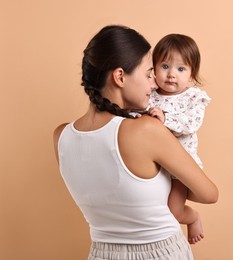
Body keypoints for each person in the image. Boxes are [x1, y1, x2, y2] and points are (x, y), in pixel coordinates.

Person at [52, 25, 218, 260]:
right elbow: (210, 194)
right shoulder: (145, 130)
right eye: (149, 74)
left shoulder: (61, 137)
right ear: (120, 76)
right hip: (160, 253)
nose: (154, 84)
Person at [145, 34, 210, 245]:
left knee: (173, 212)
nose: (171, 74)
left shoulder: (193, 98)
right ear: (154, 68)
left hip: (180, 165)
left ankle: (192, 217)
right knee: (152, 211)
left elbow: (191, 124)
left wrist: (165, 118)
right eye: (165, 66)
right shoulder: (150, 93)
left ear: (192, 74)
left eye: (181, 69)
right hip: (154, 164)